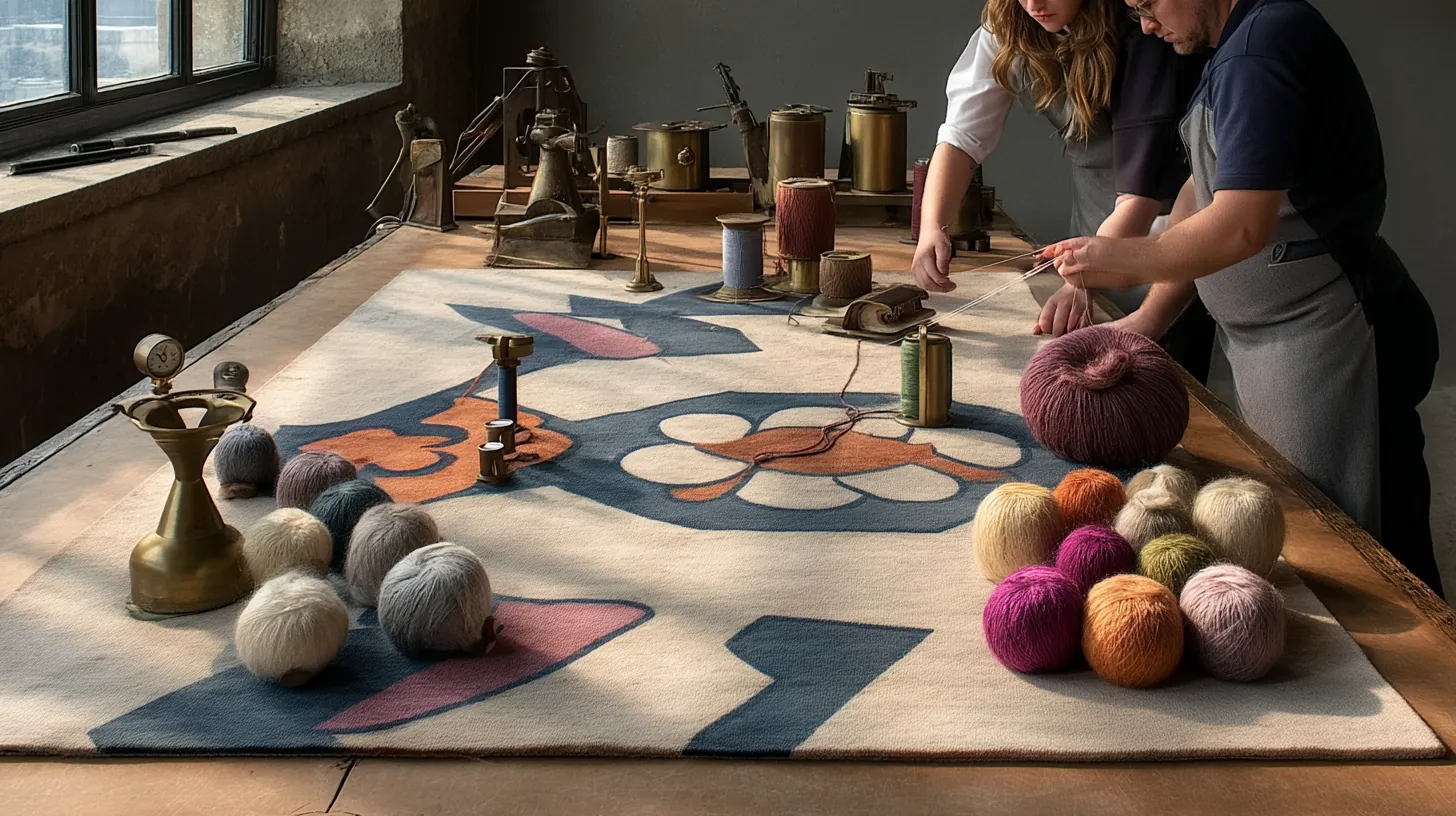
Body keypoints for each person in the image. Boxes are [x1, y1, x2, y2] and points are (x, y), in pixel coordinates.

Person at [1043, 0, 1444, 598]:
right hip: (1290, 343)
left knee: (1357, 557)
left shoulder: (1263, 48)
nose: (1146, 25)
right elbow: (1200, 192)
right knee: (1321, 535)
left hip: (1337, 334)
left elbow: (1239, 227)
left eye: (1146, 5)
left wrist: (1115, 259)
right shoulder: (1235, 50)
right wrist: (1149, 316)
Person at [912, 0, 1217, 382]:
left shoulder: (1144, 31)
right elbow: (961, 137)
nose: (1035, 4)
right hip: (1094, 238)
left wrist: (1084, 279)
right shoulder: (1009, 26)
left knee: (1154, 396)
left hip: (1173, 244)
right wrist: (932, 226)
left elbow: (1141, 193)